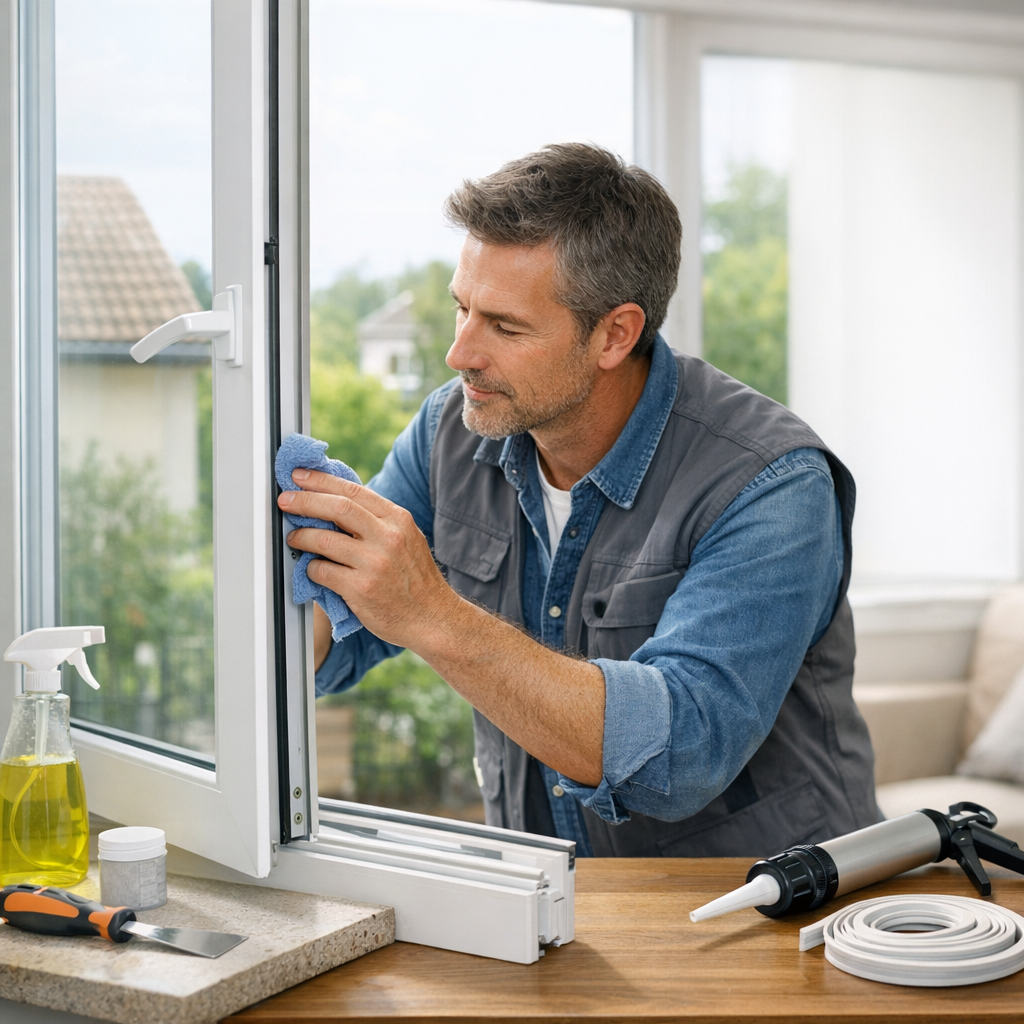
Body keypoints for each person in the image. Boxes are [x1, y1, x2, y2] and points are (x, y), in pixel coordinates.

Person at [279, 143, 880, 857]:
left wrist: (430, 612)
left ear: (615, 334)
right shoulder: (451, 430)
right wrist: (298, 586)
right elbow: (341, 627)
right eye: (461, 309)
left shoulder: (769, 483)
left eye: (504, 327)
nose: (460, 353)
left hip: (768, 913)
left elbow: (678, 755)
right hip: (554, 901)